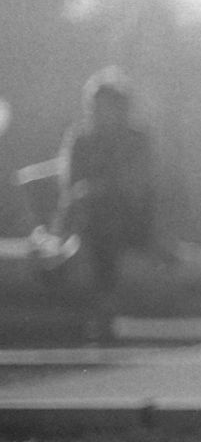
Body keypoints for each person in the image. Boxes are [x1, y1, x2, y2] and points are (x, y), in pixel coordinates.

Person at [55, 67, 156, 338]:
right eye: (96, 106)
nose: (101, 113)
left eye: (108, 106)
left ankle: (100, 302)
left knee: (103, 217)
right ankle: (99, 303)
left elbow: (137, 186)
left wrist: (101, 189)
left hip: (130, 218)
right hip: (89, 215)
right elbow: (71, 184)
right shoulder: (81, 139)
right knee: (94, 214)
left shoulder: (136, 140)